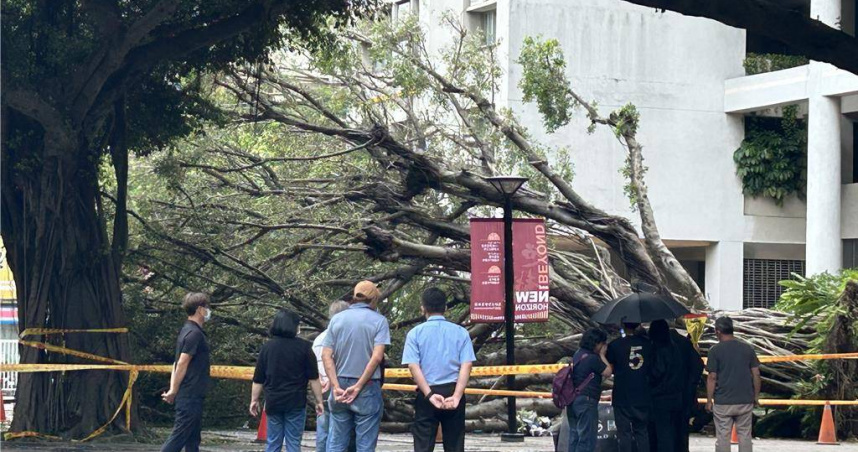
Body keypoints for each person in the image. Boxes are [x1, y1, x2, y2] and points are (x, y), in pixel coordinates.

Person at [401, 288, 476, 452]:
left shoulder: (415, 334)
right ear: (446, 308)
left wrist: (428, 394)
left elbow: (413, 366)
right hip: (453, 390)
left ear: (423, 308)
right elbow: (467, 365)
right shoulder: (461, 332)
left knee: (423, 444)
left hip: (427, 392)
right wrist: (457, 396)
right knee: (455, 443)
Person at [322, 281, 391, 452]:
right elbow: (377, 357)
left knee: (336, 440)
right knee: (365, 444)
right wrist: (359, 385)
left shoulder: (337, 319)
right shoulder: (380, 321)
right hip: (367, 386)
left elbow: (326, 355)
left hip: (340, 385)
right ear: (373, 299)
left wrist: (336, 385)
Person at [250, 309, 325, 452]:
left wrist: (254, 400)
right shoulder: (305, 347)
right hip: (295, 400)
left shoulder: (267, 347)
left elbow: (258, 378)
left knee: (272, 442)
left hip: (273, 400)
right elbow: (314, 378)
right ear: (294, 326)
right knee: (293, 443)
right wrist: (319, 401)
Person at [161, 293, 212, 452]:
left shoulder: (187, 330)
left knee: (192, 438)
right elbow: (182, 362)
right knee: (179, 436)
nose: (209, 311)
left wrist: (172, 388)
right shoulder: (194, 334)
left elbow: (176, 363)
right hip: (190, 393)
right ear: (199, 309)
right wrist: (173, 390)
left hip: (193, 393)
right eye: (207, 307)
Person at [706, 317, 760, 452]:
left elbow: (712, 377)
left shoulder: (715, 350)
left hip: (723, 401)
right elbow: (756, 374)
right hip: (745, 400)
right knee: (745, 435)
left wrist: (709, 400)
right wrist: (756, 396)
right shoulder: (748, 349)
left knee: (723, 436)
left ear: (718, 331)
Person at [312, 300, 352, 452]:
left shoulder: (318, 339)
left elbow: (314, 365)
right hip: (338, 386)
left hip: (320, 387)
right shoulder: (341, 337)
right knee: (338, 431)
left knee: (322, 428)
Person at [606, 323, 652, 452]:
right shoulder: (649, 344)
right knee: (642, 431)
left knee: (624, 433)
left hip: (622, 394)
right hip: (643, 393)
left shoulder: (615, 345)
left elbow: (610, 369)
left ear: (623, 326)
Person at [568, 328, 612, 452]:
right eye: (603, 343)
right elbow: (608, 372)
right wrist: (602, 355)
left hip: (572, 400)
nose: (604, 346)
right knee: (586, 439)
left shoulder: (578, 354)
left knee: (574, 437)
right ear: (596, 343)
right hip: (586, 400)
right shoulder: (593, 358)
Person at [647, 319, 684, 452]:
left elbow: (657, 372)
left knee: (662, 434)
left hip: (660, 397)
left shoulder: (660, 350)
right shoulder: (675, 348)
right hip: (675, 396)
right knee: (670, 432)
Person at [670, 327, 705, 452]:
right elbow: (698, 365)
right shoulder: (684, 343)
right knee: (682, 429)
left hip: (660, 396)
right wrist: (690, 385)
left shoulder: (655, 343)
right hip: (683, 395)